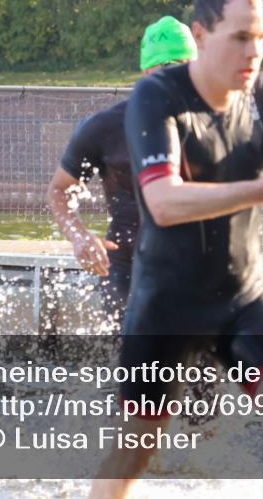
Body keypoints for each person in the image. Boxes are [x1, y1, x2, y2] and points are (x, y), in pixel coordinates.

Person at [89, 0, 263, 499]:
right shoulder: (157, 96)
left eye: (262, 37)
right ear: (202, 34)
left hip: (244, 296)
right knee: (135, 450)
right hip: (165, 304)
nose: (254, 50)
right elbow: (165, 203)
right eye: (240, 37)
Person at [47, 16, 198, 326]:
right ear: (147, 72)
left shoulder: (213, 125)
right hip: (125, 262)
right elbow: (59, 190)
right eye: (166, 68)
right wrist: (79, 237)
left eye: (182, 68)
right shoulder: (107, 126)